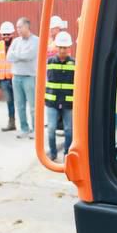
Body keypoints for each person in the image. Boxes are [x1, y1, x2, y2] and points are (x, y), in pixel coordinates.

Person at [44, 31, 76, 161]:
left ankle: (67, 153)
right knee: (51, 129)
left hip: (68, 103)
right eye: (60, 47)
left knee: (69, 130)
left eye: (65, 47)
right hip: (52, 102)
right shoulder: (49, 62)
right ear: (56, 47)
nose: (63, 50)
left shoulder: (74, 63)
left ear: (69, 48)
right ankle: (52, 153)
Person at [7, 17, 40, 139]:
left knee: (33, 106)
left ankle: (36, 130)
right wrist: (20, 56)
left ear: (27, 27)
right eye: (17, 27)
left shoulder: (36, 40)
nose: (18, 30)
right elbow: (9, 56)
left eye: (20, 27)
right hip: (16, 77)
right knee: (20, 105)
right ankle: (24, 129)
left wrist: (17, 55)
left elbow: (30, 55)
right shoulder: (15, 41)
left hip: (29, 77)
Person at [0, 20, 16, 132]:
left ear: (12, 34)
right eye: (4, 34)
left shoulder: (17, 43)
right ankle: (11, 122)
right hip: (3, 79)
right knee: (9, 101)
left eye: (8, 34)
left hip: (15, 78)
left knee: (21, 102)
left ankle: (27, 125)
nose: (6, 36)